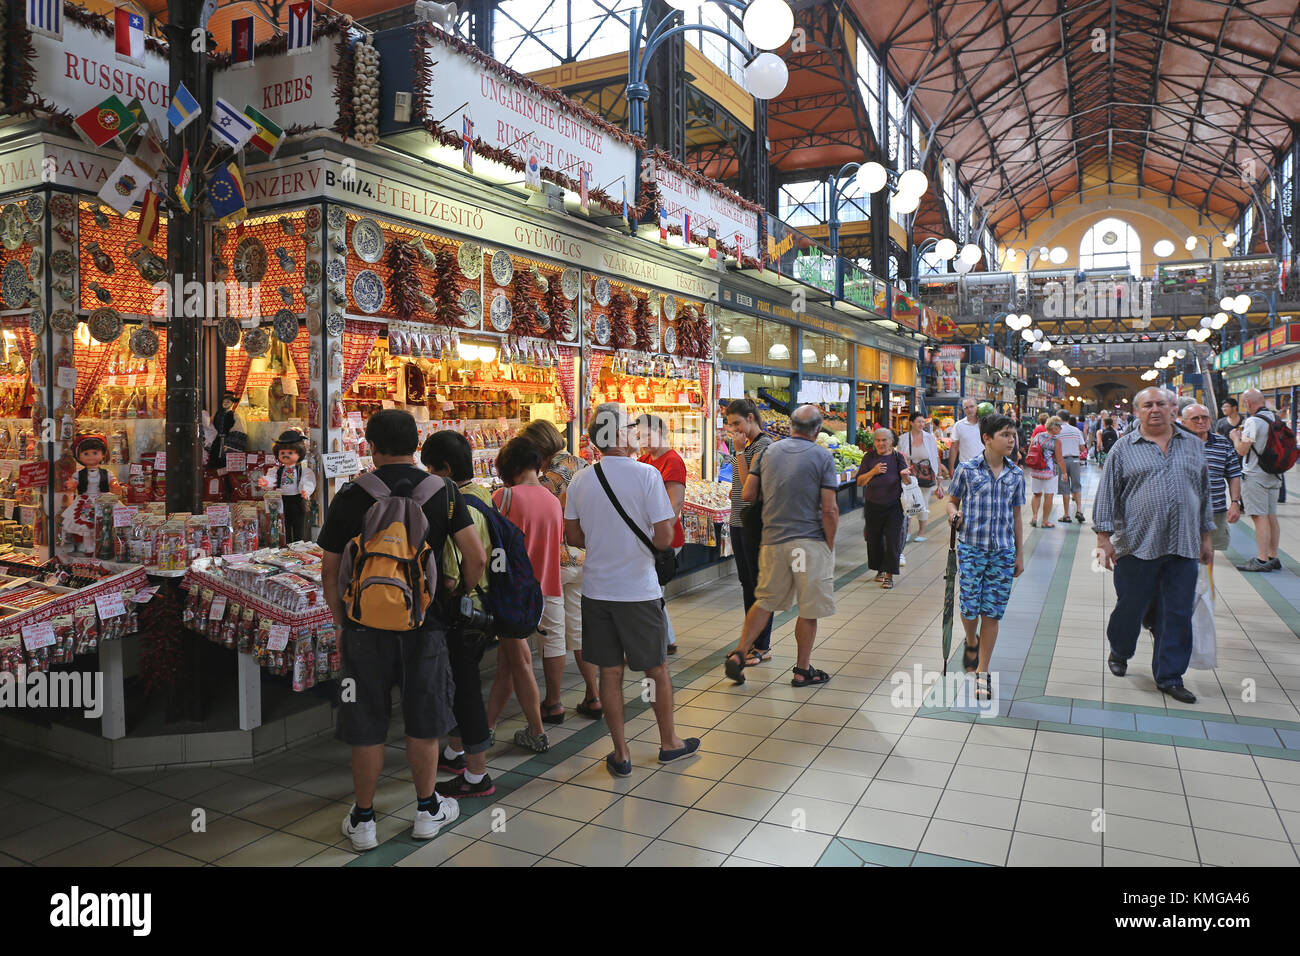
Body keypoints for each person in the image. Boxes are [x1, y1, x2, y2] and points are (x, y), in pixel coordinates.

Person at [319, 409, 486, 850]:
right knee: (424, 719)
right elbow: (476, 557)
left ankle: (365, 820)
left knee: (366, 722)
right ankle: (427, 809)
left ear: (371, 446)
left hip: (363, 630)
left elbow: (330, 567)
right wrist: (454, 595)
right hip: (425, 627)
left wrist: (341, 620)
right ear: (416, 444)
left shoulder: (352, 494)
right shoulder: (443, 491)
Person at [564, 403, 699, 777]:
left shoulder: (580, 480)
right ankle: (668, 743)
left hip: (596, 590)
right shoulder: (646, 475)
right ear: (622, 435)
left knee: (610, 672)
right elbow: (663, 535)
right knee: (655, 669)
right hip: (638, 591)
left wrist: (604, 538)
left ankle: (620, 753)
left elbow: (573, 536)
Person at [1094, 388, 1213, 705]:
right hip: (1136, 544)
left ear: (1173, 409)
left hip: (1183, 544)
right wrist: (1104, 540)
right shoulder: (1123, 449)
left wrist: (1206, 537)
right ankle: (1120, 649)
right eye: (1148, 405)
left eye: (1161, 403)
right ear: (1137, 411)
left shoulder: (1191, 446)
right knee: (1130, 608)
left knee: (1176, 612)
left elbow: (1203, 492)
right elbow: (1107, 495)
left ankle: (1170, 676)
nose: (1155, 409)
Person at [723, 404, 839, 687]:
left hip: (772, 541)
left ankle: (740, 653)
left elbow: (748, 493)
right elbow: (830, 509)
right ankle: (802, 670)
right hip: (807, 543)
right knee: (808, 608)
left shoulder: (770, 451)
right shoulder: (823, 456)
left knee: (765, 601)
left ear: (790, 427)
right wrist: (829, 544)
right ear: (816, 430)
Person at [421, 430, 496, 799]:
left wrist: (461, 594)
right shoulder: (482, 494)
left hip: (466, 613)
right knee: (464, 684)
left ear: (445, 469)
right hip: (485, 609)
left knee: (464, 691)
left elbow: (454, 574)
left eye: (430, 469)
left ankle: (477, 775)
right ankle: (456, 751)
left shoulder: (453, 504)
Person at [476, 437, 563, 752]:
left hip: (511, 593)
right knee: (509, 663)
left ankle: (537, 732)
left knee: (520, 661)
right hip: (538, 594)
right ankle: (487, 726)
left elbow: (486, 543)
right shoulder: (552, 499)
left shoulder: (504, 497)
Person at [522, 419, 601, 718]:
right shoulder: (585, 464)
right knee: (580, 630)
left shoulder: (547, 479)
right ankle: (593, 696)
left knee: (552, 634)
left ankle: (553, 702)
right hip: (583, 557)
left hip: (553, 562)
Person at [945, 414, 1025, 701]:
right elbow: (952, 501)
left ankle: (982, 670)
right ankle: (970, 639)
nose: (1011, 440)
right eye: (1005, 435)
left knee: (991, 611)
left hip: (1002, 552)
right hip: (971, 549)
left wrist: (1019, 553)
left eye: (1013, 435)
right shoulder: (967, 470)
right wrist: (954, 514)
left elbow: (1017, 515)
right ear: (986, 439)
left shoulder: (1016, 474)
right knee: (969, 608)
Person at [724, 399, 775, 665]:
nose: (734, 429)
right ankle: (749, 641)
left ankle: (762, 645)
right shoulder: (744, 447)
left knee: (758, 585)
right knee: (747, 584)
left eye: (737, 423)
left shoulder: (763, 445)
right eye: (730, 424)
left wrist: (741, 452)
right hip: (737, 520)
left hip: (755, 523)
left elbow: (748, 488)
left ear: (751, 419)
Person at [636, 413, 686, 655]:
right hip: (648, 535)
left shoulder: (672, 461)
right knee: (652, 589)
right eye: (638, 436)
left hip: (665, 537)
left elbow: (673, 505)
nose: (643, 440)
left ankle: (661, 641)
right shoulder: (644, 459)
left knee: (653, 589)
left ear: (660, 432)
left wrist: (659, 538)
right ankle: (665, 639)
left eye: (646, 435)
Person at [1231, 388, 1284, 572]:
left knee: (1259, 517)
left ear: (1247, 402)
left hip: (1255, 475)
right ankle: (1273, 556)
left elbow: (1242, 450)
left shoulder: (1253, 421)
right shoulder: (1276, 418)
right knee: (1271, 516)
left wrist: (1235, 438)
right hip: (1274, 474)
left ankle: (1261, 560)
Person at [1179, 403, 1242, 553]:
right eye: (1195, 418)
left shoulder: (1222, 444)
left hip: (1214, 510)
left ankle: (1205, 576)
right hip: (1182, 512)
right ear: (1184, 423)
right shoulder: (1175, 444)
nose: (1201, 421)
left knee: (1208, 553)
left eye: (1205, 417)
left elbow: (1234, 474)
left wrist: (1235, 502)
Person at [857, 427, 912, 590]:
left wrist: (905, 475)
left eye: (884, 440)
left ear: (891, 442)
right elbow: (860, 481)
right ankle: (880, 569)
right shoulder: (869, 457)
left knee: (892, 540)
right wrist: (873, 472)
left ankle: (889, 575)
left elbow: (907, 481)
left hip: (894, 505)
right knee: (874, 539)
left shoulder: (897, 457)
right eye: (877, 440)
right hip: (873, 505)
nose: (881, 443)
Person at [899, 410, 945, 544]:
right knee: (908, 502)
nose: (921, 424)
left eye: (923, 422)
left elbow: (935, 456)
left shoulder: (929, 437)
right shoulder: (904, 438)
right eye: (919, 421)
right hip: (910, 474)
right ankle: (907, 531)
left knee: (923, 502)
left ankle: (921, 532)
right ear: (911, 423)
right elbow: (901, 456)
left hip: (926, 473)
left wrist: (940, 475)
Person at [1026, 417, 1066, 528]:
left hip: (1036, 470)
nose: (1061, 428)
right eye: (1059, 426)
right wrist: (1064, 472)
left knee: (1036, 494)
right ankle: (1044, 521)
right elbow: (1059, 459)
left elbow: (1030, 450)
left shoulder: (1038, 436)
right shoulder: (1056, 441)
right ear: (1053, 427)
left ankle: (1034, 517)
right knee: (1049, 496)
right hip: (1049, 472)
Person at [1055, 414, 1086, 523]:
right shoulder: (1076, 430)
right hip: (1075, 460)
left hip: (1062, 460)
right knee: (1077, 485)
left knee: (1065, 487)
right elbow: (1082, 448)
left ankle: (1066, 515)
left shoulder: (1057, 431)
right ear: (1068, 419)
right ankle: (1078, 511)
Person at [947, 398, 982, 473]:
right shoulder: (958, 425)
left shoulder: (985, 423)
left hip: (984, 467)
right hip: (966, 468)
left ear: (977, 407)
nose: (969, 410)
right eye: (966, 408)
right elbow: (954, 447)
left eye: (972, 406)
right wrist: (951, 468)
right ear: (963, 409)